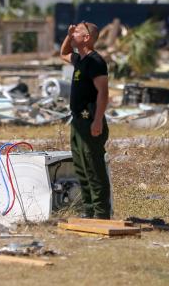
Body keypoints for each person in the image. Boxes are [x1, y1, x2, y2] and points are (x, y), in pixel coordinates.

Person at [60, 21, 111, 219]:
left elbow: (103, 93)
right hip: (77, 121)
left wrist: (98, 120)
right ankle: (89, 211)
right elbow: (63, 53)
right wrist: (68, 34)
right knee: (81, 168)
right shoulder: (79, 59)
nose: (73, 34)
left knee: (94, 168)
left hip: (90, 120)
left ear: (87, 38)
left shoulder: (95, 61)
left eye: (77, 32)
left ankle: (101, 214)